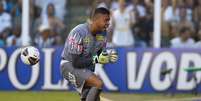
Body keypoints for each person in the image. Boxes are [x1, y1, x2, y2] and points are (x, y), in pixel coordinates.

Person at [60, 7, 118, 101]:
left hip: (86, 69)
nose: (108, 23)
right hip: (69, 65)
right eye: (106, 20)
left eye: (109, 20)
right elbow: (76, 62)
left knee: (93, 98)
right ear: (96, 20)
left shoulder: (103, 34)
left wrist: (107, 56)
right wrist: (97, 59)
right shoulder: (79, 32)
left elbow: (98, 55)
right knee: (98, 83)